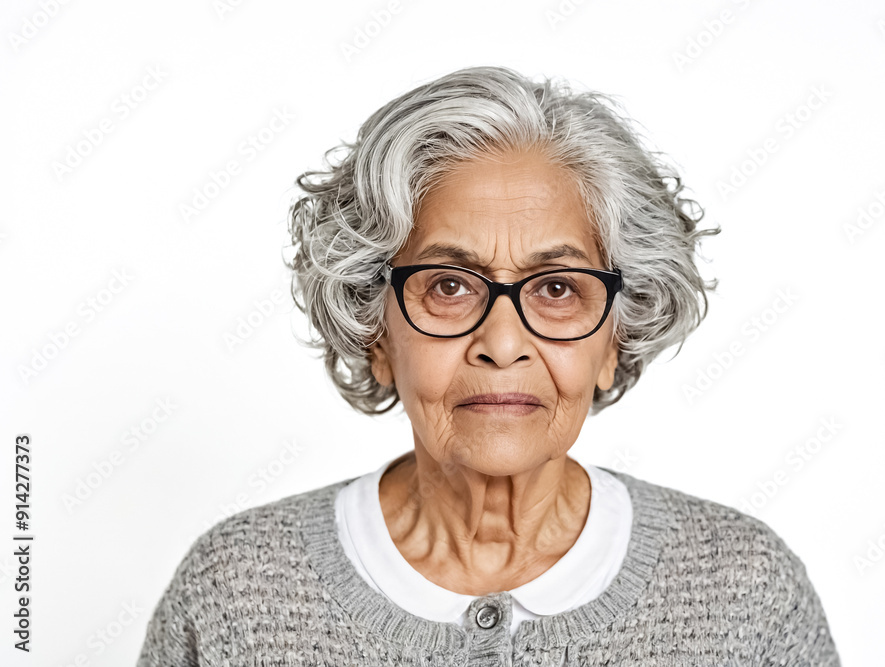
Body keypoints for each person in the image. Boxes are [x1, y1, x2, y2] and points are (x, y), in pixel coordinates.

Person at [137, 65, 840, 666]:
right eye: (448, 284)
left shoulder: (744, 591)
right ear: (374, 328)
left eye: (558, 288)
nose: (502, 342)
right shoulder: (238, 589)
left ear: (616, 338)